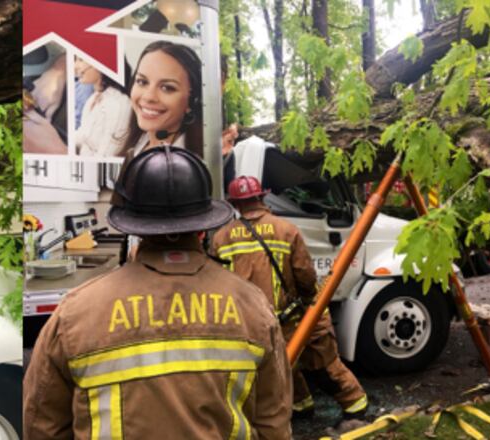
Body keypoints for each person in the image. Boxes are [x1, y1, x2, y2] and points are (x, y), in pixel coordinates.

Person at [24, 148, 292, 439]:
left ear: (133, 227)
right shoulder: (253, 307)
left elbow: (42, 423)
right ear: (203, 228)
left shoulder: (75, 313)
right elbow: (273, 423)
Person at [210, 175, 368, 421]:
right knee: (325, 363)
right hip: (294, 314)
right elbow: (305, 275)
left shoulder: (222, 238)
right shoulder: (286, 230)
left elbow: (217, 283)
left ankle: (302, 407)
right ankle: (357, 407)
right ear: (261, 197)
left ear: (236, 204)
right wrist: (309, 305)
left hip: (253, 324)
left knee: (282, 366)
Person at [121, 40, 204, 158]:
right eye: (142, 82)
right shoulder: (136, 143)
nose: (149, 96)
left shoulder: (190, 167)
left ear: (192, 101)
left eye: (167, 88)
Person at [74, 58, 132, 157]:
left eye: (81, 59)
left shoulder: (118, 104)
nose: (75, 66)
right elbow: (82, 135)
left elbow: (106, 156)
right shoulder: (95, 97)